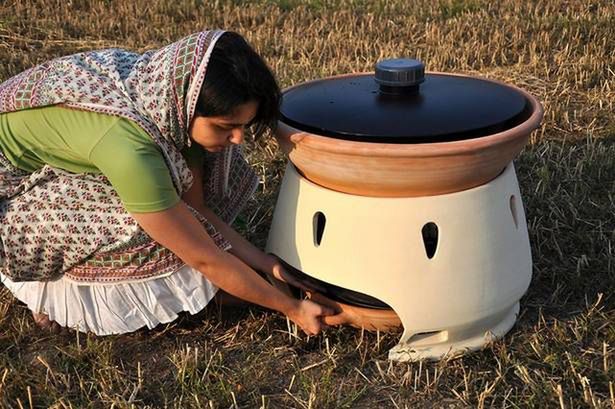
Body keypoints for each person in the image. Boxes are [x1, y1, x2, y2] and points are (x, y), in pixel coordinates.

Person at [0, 30, 341, 336]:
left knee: (176, 202)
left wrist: (267, 264)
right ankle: (55, 295)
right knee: (142, 227)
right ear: (188, 106)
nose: (238, 139)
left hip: (70, 154)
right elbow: (204, 256)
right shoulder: (130, 150)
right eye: (226, 126)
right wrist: (291, 310)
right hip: (10, 197)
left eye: (244, 126)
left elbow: (197, 209)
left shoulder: (170, 98)